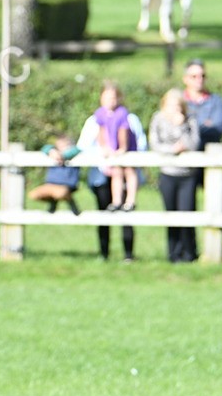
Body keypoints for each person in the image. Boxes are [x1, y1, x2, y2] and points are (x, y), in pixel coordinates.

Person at [76, 110, 146, 262]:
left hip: (125, 170)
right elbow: (84, 146)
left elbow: (141, 143)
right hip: (101, 175)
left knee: (126, 214)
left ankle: (128, 254)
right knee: (104, 214)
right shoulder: (94, 120)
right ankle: (104, 253)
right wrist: (103, 155)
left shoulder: (130, 118)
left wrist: (123, 157)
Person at [181, 58, 222, 259]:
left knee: (221, 205)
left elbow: (216, 128)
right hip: (187, 162)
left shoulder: (216, 101)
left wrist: (191, 127)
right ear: (186, 79)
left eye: (202, 75)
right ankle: (188, 252)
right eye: (194, 76)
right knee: (186, 206)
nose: (199, 80)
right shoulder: (180, 100)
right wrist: (201, 126)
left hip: (210, 160)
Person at [150, 89, 201, 263]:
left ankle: (190, 253)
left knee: (187, 214)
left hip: (187, 174)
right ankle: (173, 254)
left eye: (178, 105)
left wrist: (181, 126)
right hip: (168, 173)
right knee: (170, 215)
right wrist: (172, 150)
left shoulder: (190, 119)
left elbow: (193, 143)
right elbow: (155, 144)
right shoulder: (158, 119)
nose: (175, 109)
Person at [94, 81, 137, 211]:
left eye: (112, 98)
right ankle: (117, 201)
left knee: (129, 171)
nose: (109, 101)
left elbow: (123, 131)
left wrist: (122, 148)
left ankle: (130, 200)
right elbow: (101, 131)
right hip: (112, 148)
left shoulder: (122, 112)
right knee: (116, 173)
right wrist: (104, 147)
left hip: (126, 147)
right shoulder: (100, 113)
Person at [29, 135, 82, 216]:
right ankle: (53, 203)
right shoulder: (53, 154)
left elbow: (77, 150)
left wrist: (63, 156)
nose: (62, 148)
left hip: (67, 186)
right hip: (50, 184)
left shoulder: (74, 154)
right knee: (33, 194)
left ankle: (70, 203)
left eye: (65, 145)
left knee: (60, 193)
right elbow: (45, 148)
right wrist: (52, 151)